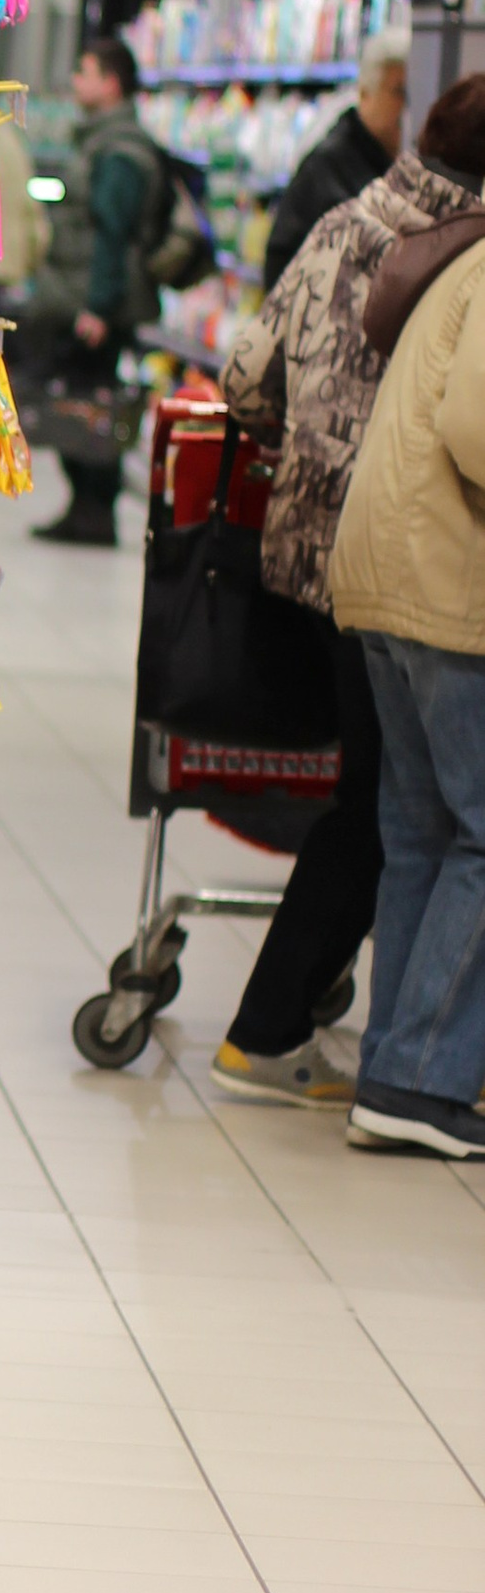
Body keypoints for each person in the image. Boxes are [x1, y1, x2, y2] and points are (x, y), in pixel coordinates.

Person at [215, 74, 485, 1105]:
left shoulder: (346, 216)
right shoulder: (461, 248)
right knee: (386, 813)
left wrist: (304, 447)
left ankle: (380, 1051)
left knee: (387, 811)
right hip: (414, 556)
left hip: (312, 548)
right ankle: (286, 1029)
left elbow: (245, 377)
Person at [327, 93, 485, 1160]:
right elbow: (476, 427)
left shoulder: (459, 254)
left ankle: (391, 1068)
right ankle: (422, 1077)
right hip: (447, 580)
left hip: (385, 568)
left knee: (420, 831)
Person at [16, 33, 167, 545]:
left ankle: (94, 511)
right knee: (79, 403)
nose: (75, 81)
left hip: (95, 304)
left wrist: (99, 307)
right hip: (81, 295)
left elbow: (112, 232)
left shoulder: (120, 149)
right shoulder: (103, 140)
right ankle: (84, 509)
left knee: (90, 407)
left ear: (111, 83)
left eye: (84, 72)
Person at [263, 26, 407, 295]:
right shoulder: (328, 167)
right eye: (398, 91)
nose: (407, 105)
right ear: (365, 93)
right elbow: (281, 264)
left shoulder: (392, 161)